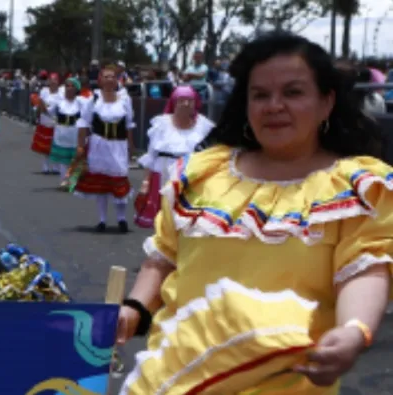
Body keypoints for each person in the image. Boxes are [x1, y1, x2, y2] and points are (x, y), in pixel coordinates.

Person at [118, 33, 391, 394]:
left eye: (293, 92)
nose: (274, 106)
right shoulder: (201, 174)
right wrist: (134, 308)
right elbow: (163, 259)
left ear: (326, 102)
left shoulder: (359, 187)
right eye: (260, 95)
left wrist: (354, 331)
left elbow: (365, 269)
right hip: (170, 380)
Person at [133, 85, 214, 228]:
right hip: (163, 173)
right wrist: (146, 182)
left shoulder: (203, 126)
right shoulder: (161, 124)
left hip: (190, 176)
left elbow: (210, 156)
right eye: (182, 100)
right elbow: (151, 155)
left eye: (190, 100)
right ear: (174, 102)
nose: (186, 104)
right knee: (163, 217)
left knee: (185, 219)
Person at [72, 64, 135, 233]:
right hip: (99, 145)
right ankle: (102, 220)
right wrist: (80, 146)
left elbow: (129, 125)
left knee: (119, 180)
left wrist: (131, 146)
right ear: (100, 80)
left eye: (112, 76)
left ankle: (121, 218)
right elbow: (83, 124)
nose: (109, 79)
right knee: (101, 183)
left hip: (118, 144)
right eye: (106, 76)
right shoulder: (93, 100)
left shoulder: (125, 100)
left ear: (117, 80)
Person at [46, 77, 90, 189]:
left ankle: (73, 181)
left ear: (76, 89)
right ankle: (64, 181)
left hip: (75, 134)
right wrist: (40, 105)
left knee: (77, 158)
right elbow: (48, 112)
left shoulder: (81, 102)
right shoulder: (59, 102)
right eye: (67, 86)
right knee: (63, 160)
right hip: (61, 133)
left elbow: (87, 117)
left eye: (72, 86)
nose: (69, 88)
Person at [32, 73, 63, 172]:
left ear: (58, 81)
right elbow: (40, 105)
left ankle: (56, 166)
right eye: (51, 80)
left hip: (56, 121)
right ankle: (45, 165)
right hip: (45, 120)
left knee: (56, 145)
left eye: (55, 80)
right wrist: (38, 116)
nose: (53, 82)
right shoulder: (44, 91)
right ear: (48, 81)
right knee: (45, 145)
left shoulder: (61, 93)